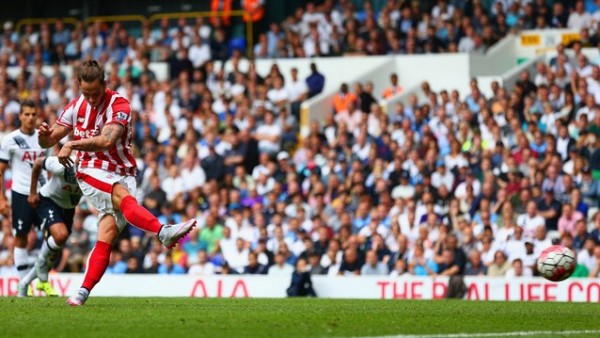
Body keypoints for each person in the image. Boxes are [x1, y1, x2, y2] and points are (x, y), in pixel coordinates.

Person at [37, 60, 196, 306]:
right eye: (85, 93)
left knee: (107, 234)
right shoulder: (75, 106)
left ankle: (82, 292)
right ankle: (162, 232)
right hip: (90, 169)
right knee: (122, 197)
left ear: (104, 84)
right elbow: (50, 141)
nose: (90, 99)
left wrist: (71, 144)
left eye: (95, 93)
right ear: (79, 86)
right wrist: (46, 138)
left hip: (123, 171)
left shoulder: (120, 104)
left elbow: (107, 140)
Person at [0, 100, 51, 293]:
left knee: (53, 235)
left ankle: (41, 278)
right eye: (26, 114)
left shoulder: (44, 138)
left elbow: (51, 165)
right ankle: (25, 284)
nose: (30, 118)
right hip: (20, 193)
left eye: (33, 114)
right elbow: (1, 170)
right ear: (20, 116)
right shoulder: (10, 140)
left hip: (43, 191)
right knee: (20, 237)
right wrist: (2, 199)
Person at [18, 153, 83, 297]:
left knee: (53, 253)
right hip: (49, 201)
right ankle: (40, 265)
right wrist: (33, 192)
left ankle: (24, 283)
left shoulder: (94, 173)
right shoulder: (63, 165)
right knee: (61, 236)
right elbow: (38, 163)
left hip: (69, 209)